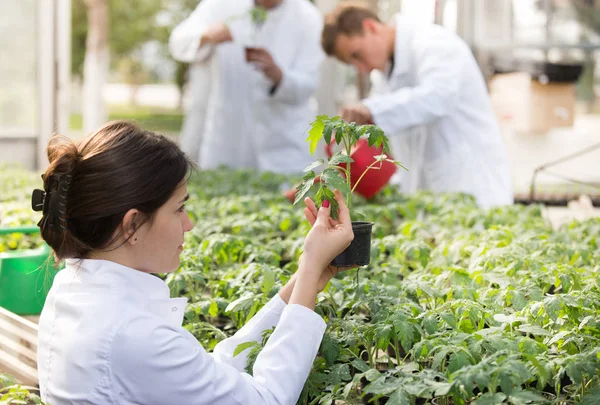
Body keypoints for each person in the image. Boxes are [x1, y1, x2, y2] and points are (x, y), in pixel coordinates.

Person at [34, 121, 354, 404]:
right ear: (132, 226)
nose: (189, 224)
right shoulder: (133, 337)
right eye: (179, 209)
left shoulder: (73, 289)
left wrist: (304, 279)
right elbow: (265, 399)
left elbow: (211, 373)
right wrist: (311, 266)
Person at [321, 4, 513, 208]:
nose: (361, 68)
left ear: (371, 27)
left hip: (474, 186)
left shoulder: (434, 43)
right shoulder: (383, 76)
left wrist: (371, 109)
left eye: (357, 55)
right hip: (431, 195)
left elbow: (438, 97)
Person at [169, 0, 325, 174]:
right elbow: (178, 42)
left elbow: (309, 84)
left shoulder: (308, 16)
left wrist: (278, 75)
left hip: (284, 147)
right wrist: (206, 35)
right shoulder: (221, 5)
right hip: (228, 141)